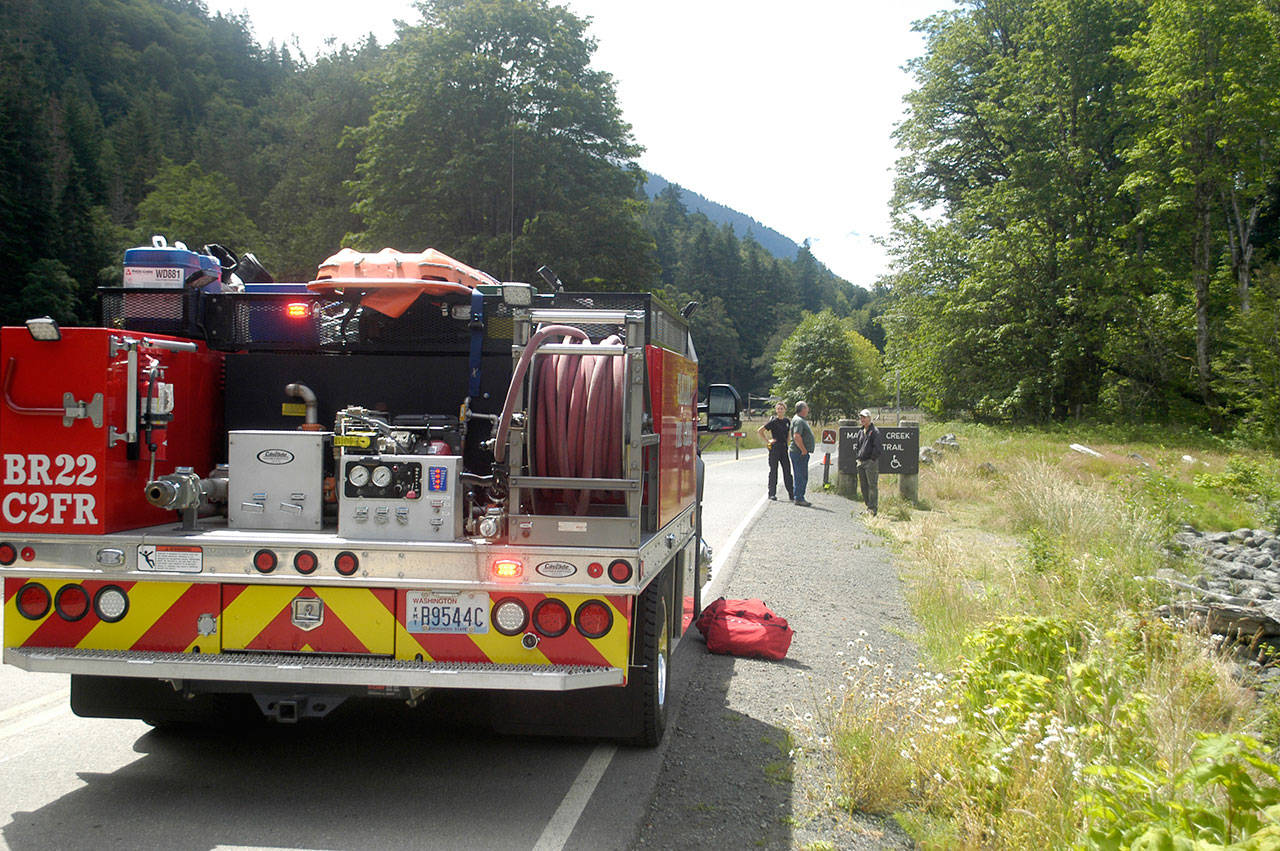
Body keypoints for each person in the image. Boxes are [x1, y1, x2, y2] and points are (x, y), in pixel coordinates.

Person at [757, 401, 794, 501]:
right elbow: (760, 431)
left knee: (787, 471)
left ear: (785, 410)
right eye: (778, 409)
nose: (780, 410)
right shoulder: (773, 421)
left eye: (782, 409)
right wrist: (768, 441)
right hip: (775, 448)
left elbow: (788, 433)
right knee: (774, 471)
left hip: (784, 448)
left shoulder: (787, 421)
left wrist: (788, 442)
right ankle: (772, 493)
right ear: (776, 410)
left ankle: (791, 494)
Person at [855, 408, 882, 516]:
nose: (862, 419)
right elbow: (858, 446)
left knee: (872, 486)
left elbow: (878, 448)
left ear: (869, 418)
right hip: (861, 462)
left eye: (864, 417)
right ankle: (868, 507)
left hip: (870, 462)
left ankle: (872, 509)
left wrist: (872, 459)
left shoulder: (874, 431)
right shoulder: (860, 431)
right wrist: (858, 458)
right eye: (861, 417)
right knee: (863, 486)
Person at [790, 401, 815, 507]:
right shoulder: (799, 421)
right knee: (800, 475)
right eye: (806, 407)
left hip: (800, 452)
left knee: (801, 475)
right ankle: (799, 498)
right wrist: (803, 450)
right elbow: (796, 436)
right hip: (799, 452)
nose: (808, 409)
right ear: (803, 409)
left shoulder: (800, 419)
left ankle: (799, 496)